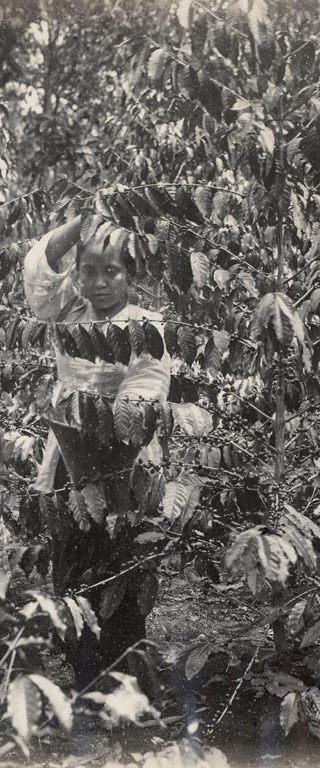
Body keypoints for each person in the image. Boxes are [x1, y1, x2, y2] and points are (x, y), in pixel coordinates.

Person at [24, 215, 171, 687]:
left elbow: (148, 381)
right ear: (77, 274)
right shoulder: (68, 313)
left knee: (122, 572)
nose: (100, 282)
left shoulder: (146, 326)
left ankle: (127, 680)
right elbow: (40, 281)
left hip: (124, 467)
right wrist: (80, 223)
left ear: (131, 275)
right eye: (89, 270)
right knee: (73, 564)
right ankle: (86, 676)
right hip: (68, 461)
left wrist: (116, 429)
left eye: (113, 272)